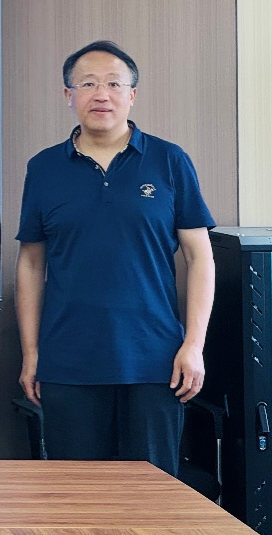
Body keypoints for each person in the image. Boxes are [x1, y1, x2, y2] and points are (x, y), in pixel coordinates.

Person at [16, 40, 215, 476]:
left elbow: (200, 257)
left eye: (113, 83)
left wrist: (194, 346)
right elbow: (30, 263)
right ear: (68, 95)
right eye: (87, 84)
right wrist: (31, 353)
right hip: (68, 361)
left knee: (152, 492)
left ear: (132, 94)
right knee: (75, 493)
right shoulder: (44, 168)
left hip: (155, 361)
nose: (101, 94)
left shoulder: (168, 160)